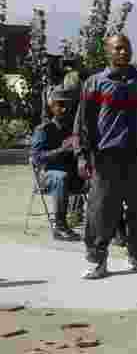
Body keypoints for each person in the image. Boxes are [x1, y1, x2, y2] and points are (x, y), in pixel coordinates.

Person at [74, 34, 137, 279]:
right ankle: (97, 261)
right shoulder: (95, 83)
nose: (123, 52)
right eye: (118, 48)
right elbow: (83, 123)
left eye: (127, 48)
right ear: (108, 52)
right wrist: (82, 155)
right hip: (106, 157)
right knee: (101, 210)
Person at [30, 86, 83, 241]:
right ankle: (60, 226)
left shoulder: (73, 128)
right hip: (48, 176)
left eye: (67, 105)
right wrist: (62, 150)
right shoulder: (44, 129)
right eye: (60, 104)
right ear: (52, 106)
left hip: (73, 175)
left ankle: (111, 227)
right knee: (61, 177)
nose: (64, 109)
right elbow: (36, 158)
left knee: (101, 176)